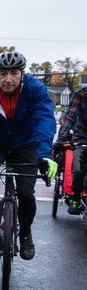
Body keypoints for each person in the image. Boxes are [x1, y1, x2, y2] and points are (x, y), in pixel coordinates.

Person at [0, 51, 57, 260]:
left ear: (22, 74)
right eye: (3, 73)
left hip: (26, 142)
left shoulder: (35, 89)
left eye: (14, 73)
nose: (8, 79)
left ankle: (26, 233)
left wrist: (45, 154)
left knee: (26, 193)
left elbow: (44, 119)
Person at [54, 85, 87, 214]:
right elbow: (70, 117)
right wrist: (62, 137)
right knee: (78, 170)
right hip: (81, 138)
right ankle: (76, 199)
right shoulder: (81, 94)